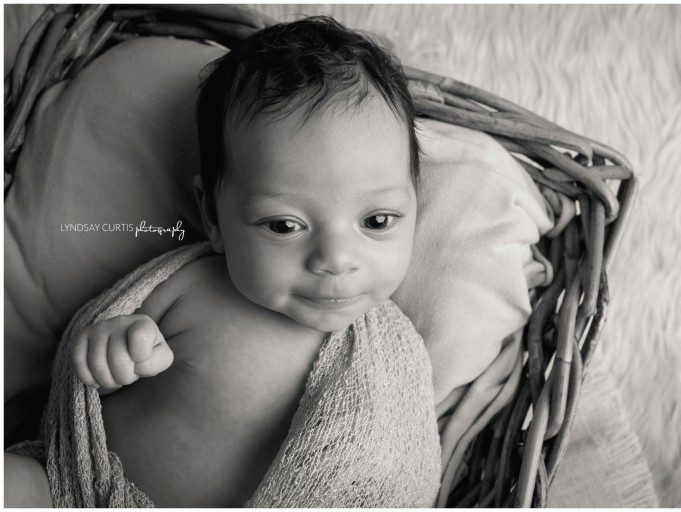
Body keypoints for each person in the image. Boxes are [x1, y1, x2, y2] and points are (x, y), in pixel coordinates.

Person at [5, 16, 440, 507]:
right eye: (283, 226)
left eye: (378, 221)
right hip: (78, 492)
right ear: (214, 215)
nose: (336, 260)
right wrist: (112, 346)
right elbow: (91, 359)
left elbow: (399, 475)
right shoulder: (190, 286)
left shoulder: (393, 361)